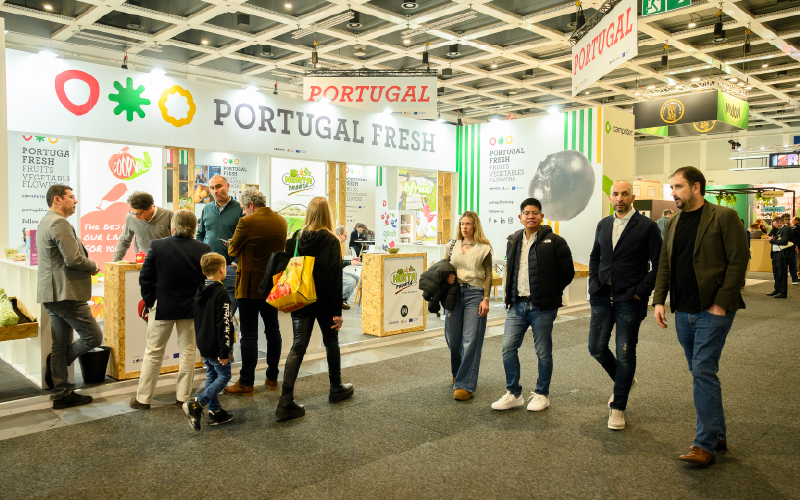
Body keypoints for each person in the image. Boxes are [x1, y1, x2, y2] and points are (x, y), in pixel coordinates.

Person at [653, 166, 749, 465]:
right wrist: (659, 300)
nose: (673, 192)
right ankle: (718, 434)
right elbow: (665, 263)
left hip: (713, 309)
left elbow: (738, 260)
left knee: (703, 370)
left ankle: (703, 445)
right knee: (701, 372)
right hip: (683, 310)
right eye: (672, 187)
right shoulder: (673, 222)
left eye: (678, 187)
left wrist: (721, 303)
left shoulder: (723, 216)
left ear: (696, 187)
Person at [586, 181, 662, 430]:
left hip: (629, 298)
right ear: (610, 198)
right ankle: (625, 380)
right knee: (596, 347)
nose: (620, 198)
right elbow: (596, 256)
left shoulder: (647, 227)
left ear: (633, 197)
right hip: (601, 296)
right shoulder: (603, 224)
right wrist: (594, 282)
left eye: (625, 194)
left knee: (625, 352)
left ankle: (618, 406)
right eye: (616, 194)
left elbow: (659, 264)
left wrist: (641, 292)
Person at [491, 198, 574, 413]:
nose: (531, 216)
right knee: (508, 348)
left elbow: (567, 273)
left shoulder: (556, 241)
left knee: (543, 352)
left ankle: (542, 394)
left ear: (542, 216)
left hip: (542, 307)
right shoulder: (513, 241)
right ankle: (514, 393)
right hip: (517, 305)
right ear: (520, 218)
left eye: (535, 212)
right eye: (526, 213)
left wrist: (551, 293)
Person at [276, 197, 353, 421]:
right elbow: (334, 276)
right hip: (325, 301)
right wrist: (337, 311)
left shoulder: (296, 237)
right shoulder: (331, 240)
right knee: (331, 343)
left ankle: (285, 399)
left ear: (308, 212)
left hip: (301, 298)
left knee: (298, 347)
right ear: (327, 213)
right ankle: (336, 387)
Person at [130, 210, 211, 410]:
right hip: (191, 309)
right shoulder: (204, 248)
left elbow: (145, 277)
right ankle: (183, 397)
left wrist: (150, 302)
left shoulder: (158, 245)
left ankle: (143, 398)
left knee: (154, 352)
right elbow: (205, 282)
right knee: (188, 352)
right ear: (195, 227)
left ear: (173, 226)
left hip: (162, 307)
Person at [37, 184, 102, 409]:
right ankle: (60, 365)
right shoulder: (58, 223)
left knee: (60, 342)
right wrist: (94, 265)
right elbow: (74, 260)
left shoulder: (45, 221)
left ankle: (62, 391)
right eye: (71, 197)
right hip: (67, 293)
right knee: (93, 337)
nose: (75, 201)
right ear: (58, 199)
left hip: (53, 293)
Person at [224, 188, 287, 395]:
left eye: (243, 208)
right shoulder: (281, 221)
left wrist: (234, 245)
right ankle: (272, 378)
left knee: (249, 335)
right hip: (272, 285)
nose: (242, 213)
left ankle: (246, 382)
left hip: (250, 286)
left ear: (251, 204)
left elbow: (232, 251)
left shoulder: (247, 222)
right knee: (273, 331)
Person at [443, 211, 493, 401]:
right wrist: (447, 275)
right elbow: (445, 266)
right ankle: (458, 373)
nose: (464, 227)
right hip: (454, 294)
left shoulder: (483, 248)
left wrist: (486, 298)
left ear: (475, 226)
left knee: (471, 339)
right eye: (462, 224)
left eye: (468, 224)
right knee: (453, 338)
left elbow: (488, 274)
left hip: (475, 294)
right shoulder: (452, 245)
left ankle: (465, 384)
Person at [184, 253, 235, 431]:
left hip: (204, 344)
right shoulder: (221, 293)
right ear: (222, 269)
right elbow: (224, 324)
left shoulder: (200, 291)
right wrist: (224, 350)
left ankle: (214, 411)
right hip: (217, 346)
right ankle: (198, 403)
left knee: (212, 376)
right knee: (224, 376)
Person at [196, 175, 244, 315]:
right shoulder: (207, 209)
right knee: (209, 311)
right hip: (208, 269)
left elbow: (245, 240)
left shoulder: (239, 209)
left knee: (226, 313)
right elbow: (200, 235)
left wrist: (235, 263)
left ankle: (226, 336)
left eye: (218, 186)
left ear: (227, 187)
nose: (215, 191)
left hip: (229, 268)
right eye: (212, 188)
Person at [112, 191, 173, 262]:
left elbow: (178, 242)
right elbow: (124, 241)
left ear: (150, 207)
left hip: (164, 263)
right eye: (133, 212)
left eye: (138, 214)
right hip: (141, 264)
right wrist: (114, 263)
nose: (136, 217)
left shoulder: (169, 215)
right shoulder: (131, 217)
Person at [767, 215, 794, 298]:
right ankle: (777, 290)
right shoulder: (779, 229)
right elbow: (777, 238)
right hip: (775, 253)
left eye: (776, 225)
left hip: (782, 254)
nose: (775, 227)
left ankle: (783, 292)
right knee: (776, 272)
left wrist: (771, 240)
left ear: (780, 223)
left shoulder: (787, 229)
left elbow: (784, 242)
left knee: (781, 273)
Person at [336, 225, 361, 309]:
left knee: (357, 279)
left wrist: (352, 258)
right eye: (345, 236)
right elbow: (336, 263)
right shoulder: (334, 244)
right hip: (335, 271)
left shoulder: (338, 244)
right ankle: (336, 299)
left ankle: (343, 300)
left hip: (340, 270)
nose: (346, 238)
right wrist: (350, 262)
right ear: (339, 235)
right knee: (351, 282)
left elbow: (340, 259)